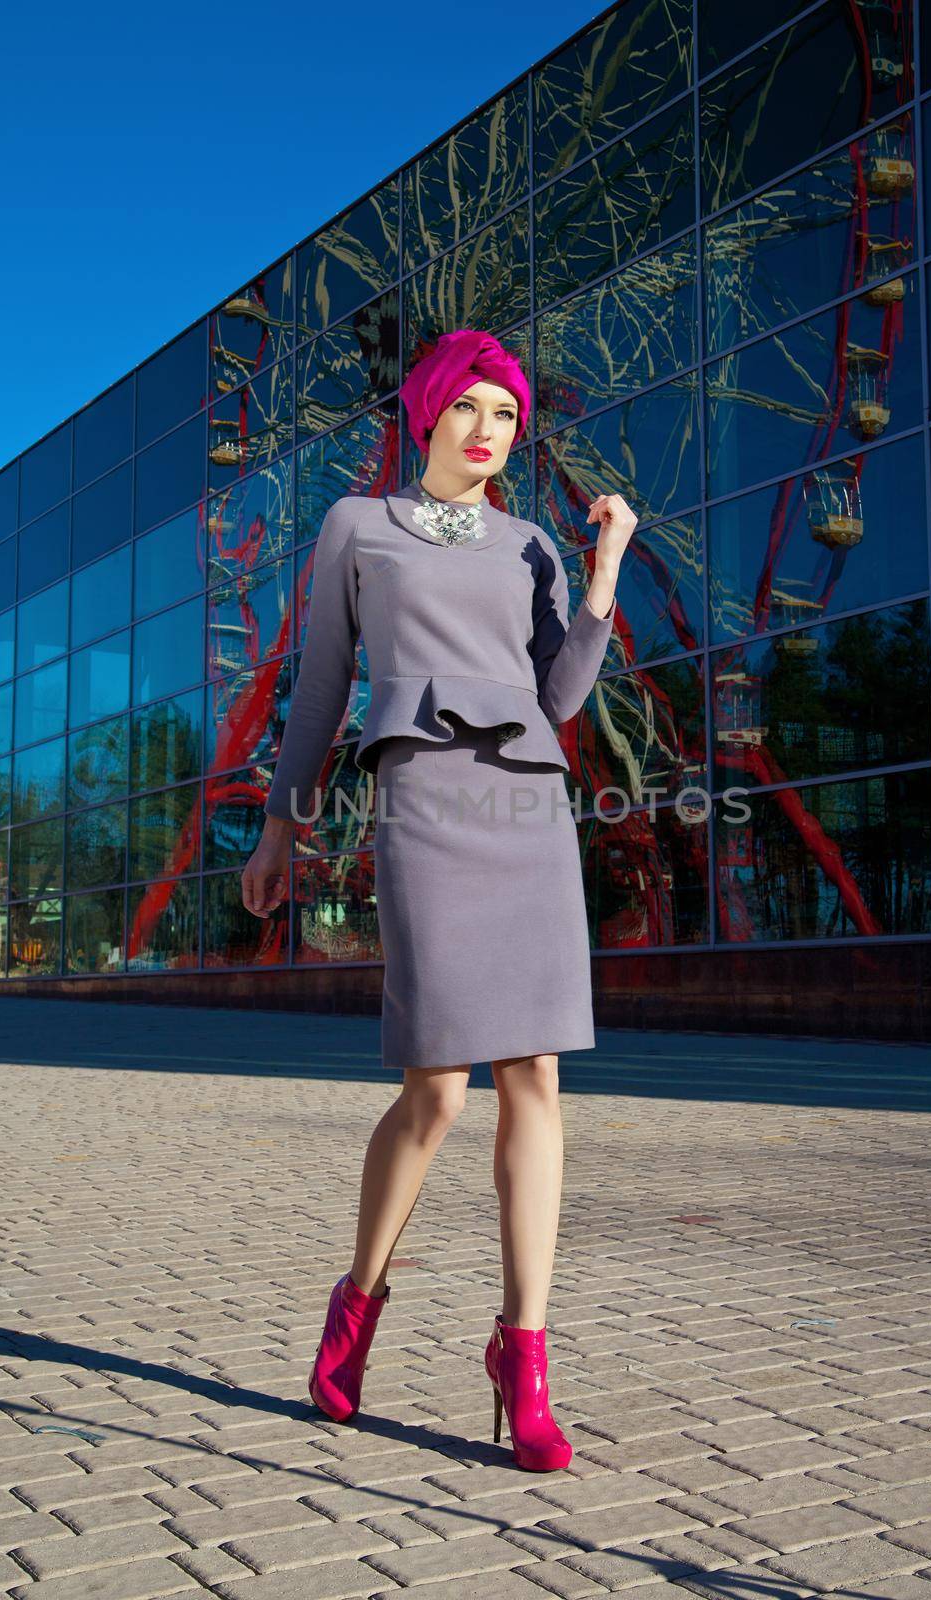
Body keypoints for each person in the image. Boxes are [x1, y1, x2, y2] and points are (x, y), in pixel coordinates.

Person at [242, 327, 635, 1471]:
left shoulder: (528, 548)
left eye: (503, 414)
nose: (485, 428)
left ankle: (524, 1356)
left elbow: (557, 694)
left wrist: (601, 572)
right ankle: (358, 1300)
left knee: (536, 1077)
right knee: (436, 1091)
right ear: (427, 413)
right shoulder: (356, 527)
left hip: (526, 810)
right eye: (466, 406)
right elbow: (320, 684)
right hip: (421, 799)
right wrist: (283, 820)